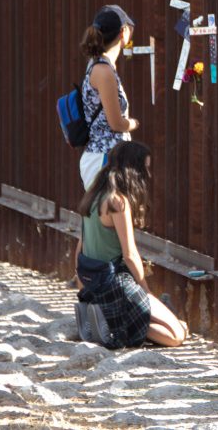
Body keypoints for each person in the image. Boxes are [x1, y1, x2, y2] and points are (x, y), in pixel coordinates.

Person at [73, 141, 189, 348]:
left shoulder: (91, 196)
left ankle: (113, 321)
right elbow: (130, 254)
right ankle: (120, 327)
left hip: (94, 282)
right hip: (116, 282)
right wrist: (146, 291)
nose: (148, 175)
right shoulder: (117, 202)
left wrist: (83, 288)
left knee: (180, 326)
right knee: (177, 335)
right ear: (133, 170)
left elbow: (80, 247)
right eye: (145, 168)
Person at [79, 5, 140, 189]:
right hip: (104, 159)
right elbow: (116, 124)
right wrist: (133, 123)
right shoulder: (104, 71)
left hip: (105, 157)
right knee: (112, 215)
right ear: (123, 33)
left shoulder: (99, 65)